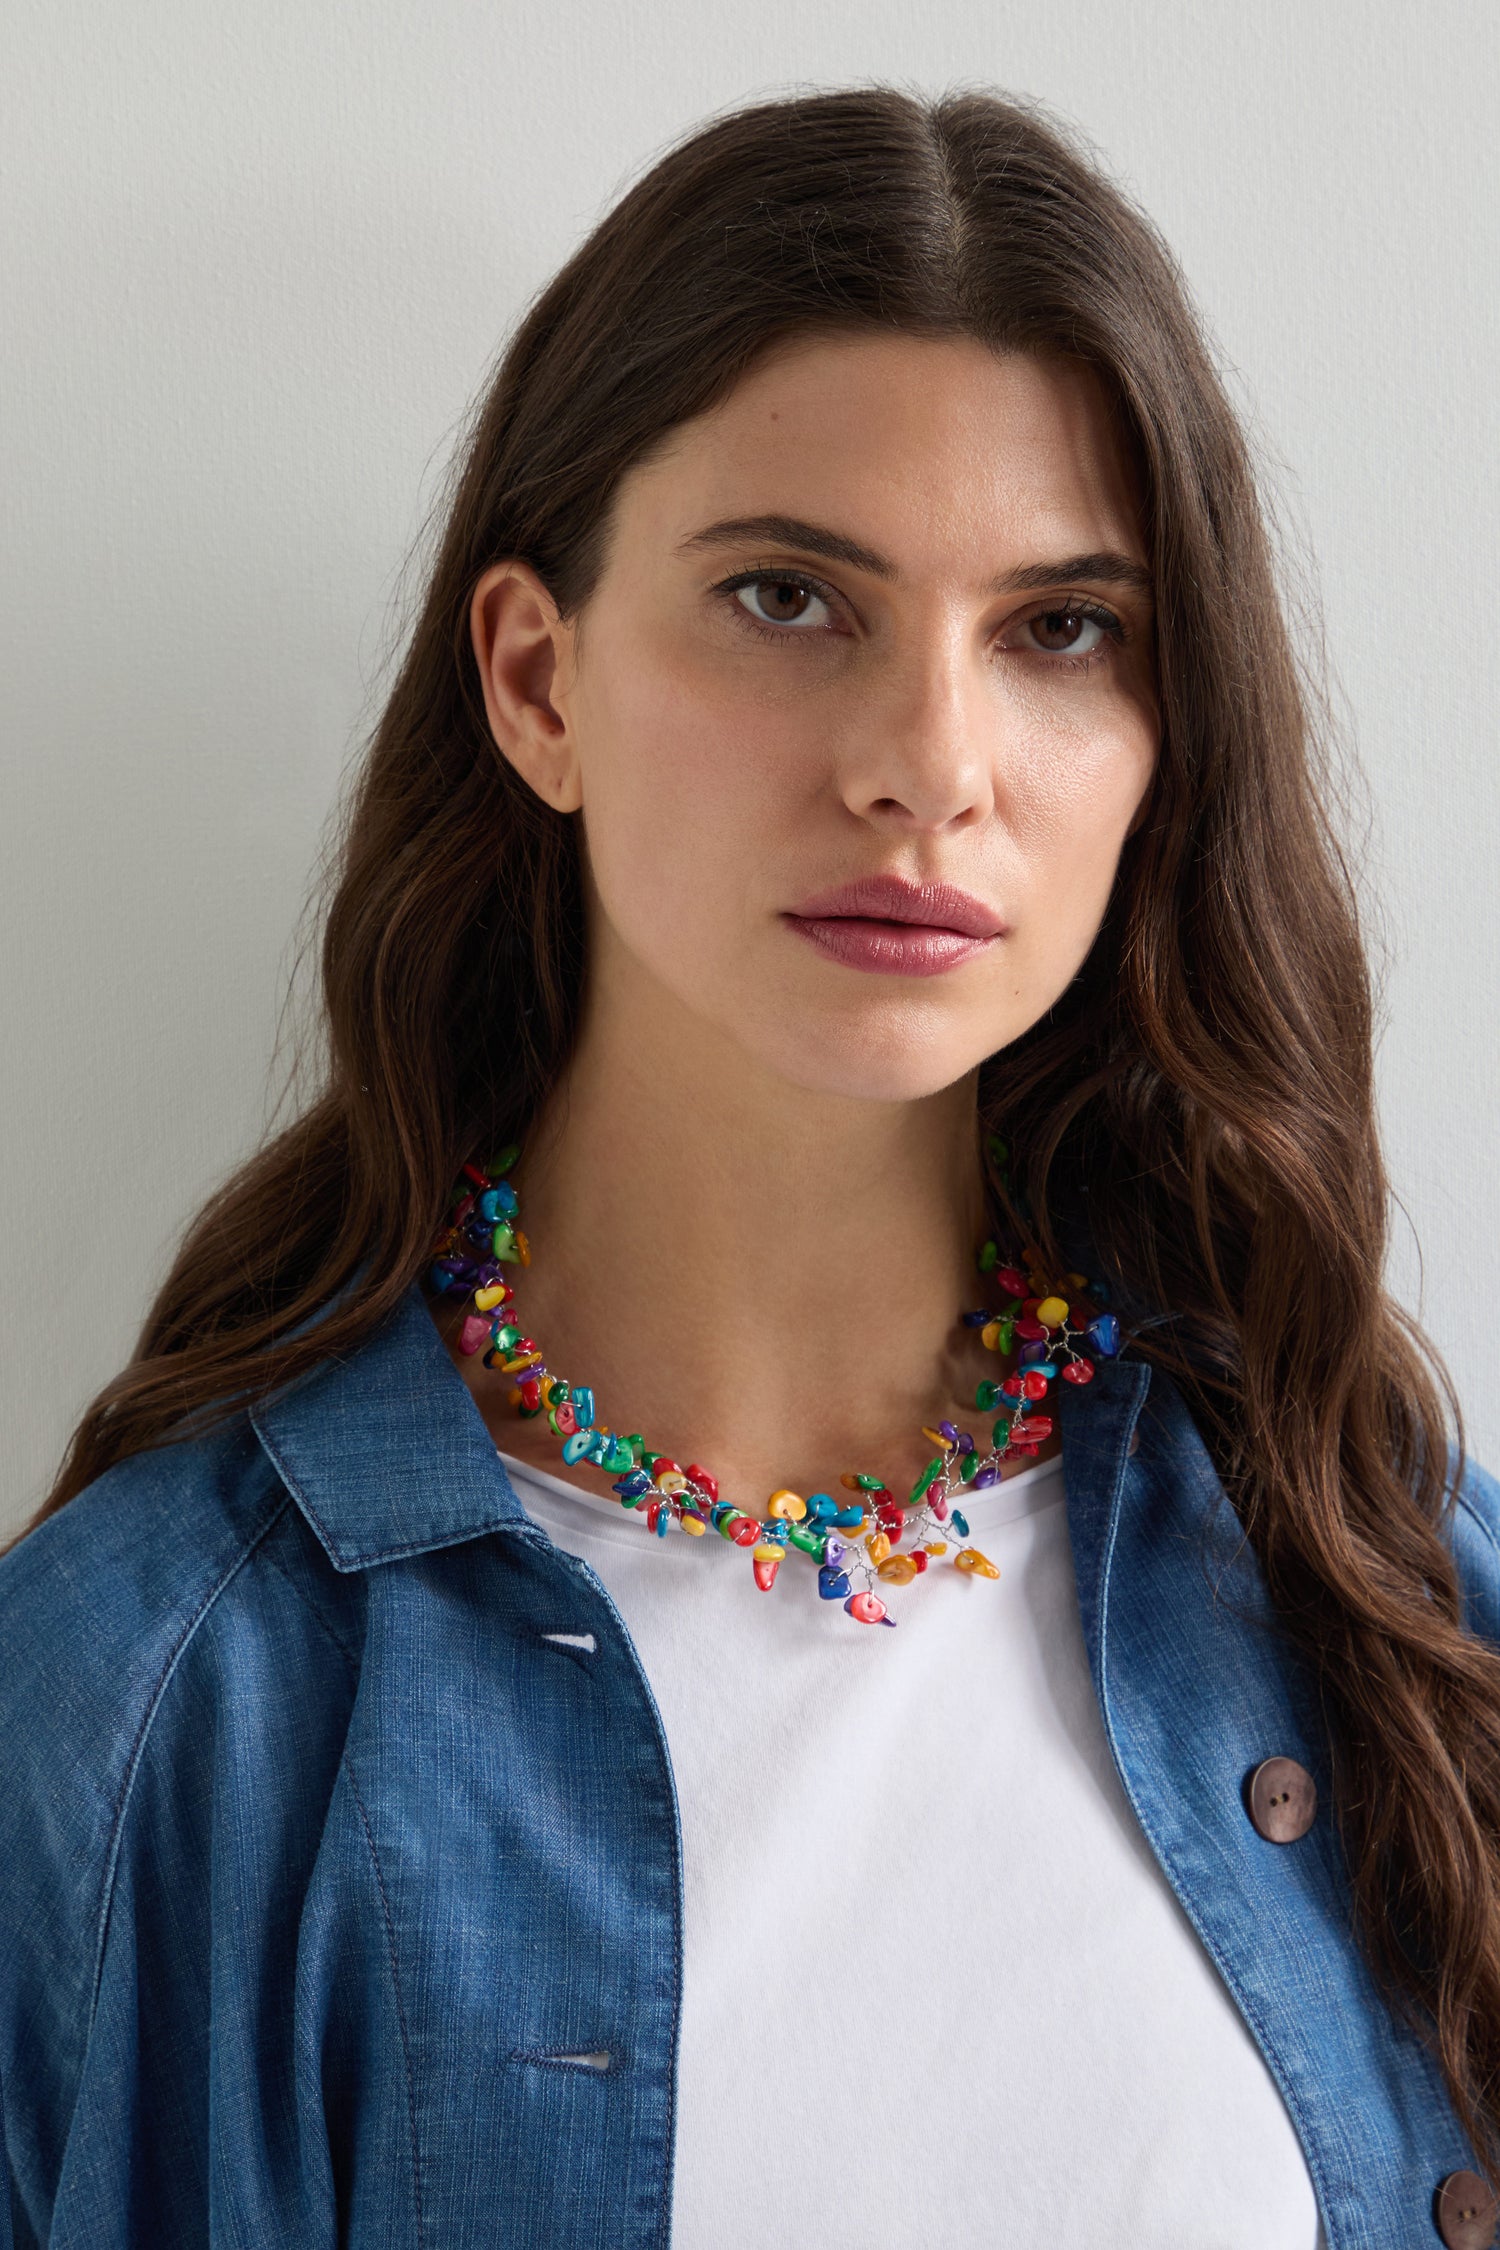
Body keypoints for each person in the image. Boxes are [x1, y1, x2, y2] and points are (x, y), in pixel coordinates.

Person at [2, 83, 1497, 2250]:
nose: (930, 766)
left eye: (1063, 628)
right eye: (792, 596)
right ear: (537, 680)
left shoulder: (1386, 1599)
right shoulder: (148, 1716)